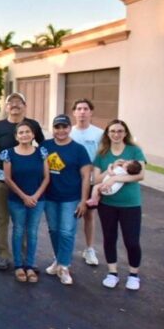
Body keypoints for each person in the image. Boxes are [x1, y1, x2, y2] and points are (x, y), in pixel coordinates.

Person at [0, 92, 45, 271]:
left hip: (27, 182)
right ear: (6, 107)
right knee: (2, 220)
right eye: (11, 102)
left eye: (19, 102)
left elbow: (42, 149)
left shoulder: (33, 125)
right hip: (1, 180)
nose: (15, 105)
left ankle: (26, 258)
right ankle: (3, 256)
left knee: (24, 223)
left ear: (25, 106)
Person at [92, 119, 146, 290]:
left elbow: (140, 175)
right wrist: (110, 170)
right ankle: (112, 273)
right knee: (109, 238)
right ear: (107, 134)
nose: (116, 134)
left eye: (120, 131)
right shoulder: (102, 154)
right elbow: (96, 179)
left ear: (125, 133)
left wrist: (115, 178)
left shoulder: (134, 150)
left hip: (130, 204)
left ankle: (133, 275)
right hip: (107, 204)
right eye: (113, 131)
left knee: (132, 241)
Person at [42, 114, 92, 286]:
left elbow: (86, 176)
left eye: (64, 127)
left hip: (71, 198)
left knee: (67, 232)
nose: (61, 130)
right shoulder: (45, 146)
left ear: (70, 128)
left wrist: (83, 200)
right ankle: (58, 260)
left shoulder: (79, 149)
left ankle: (64, 266)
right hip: (49, 197)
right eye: (57, 127)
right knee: (54, 230)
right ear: (53, 129)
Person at [0, 121, 49, 283]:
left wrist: (35, 196)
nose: (24, 135)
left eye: (27, 132)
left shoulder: (41, 152)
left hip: (38, 200)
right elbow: (8, 179)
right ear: (16, 136)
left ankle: (30, 265)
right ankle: (18, 266)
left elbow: (46, 177)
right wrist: (24, 197)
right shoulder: (8, 154)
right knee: (18, 231)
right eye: (21, 132)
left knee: (33, 232)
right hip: (16, 200)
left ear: (33, 134)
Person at [70, 98, 104, 266]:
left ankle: (89, 249)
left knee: (89, 215)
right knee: (69, 216)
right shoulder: (68, 132)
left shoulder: (99, 133)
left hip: (91, 181)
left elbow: (102, 157)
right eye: (79, 109)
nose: (82, 112)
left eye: (85, 109)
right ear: (74, 112)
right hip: (71, 180)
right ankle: (64, 252)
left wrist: (99, 180)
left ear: (91, 112)